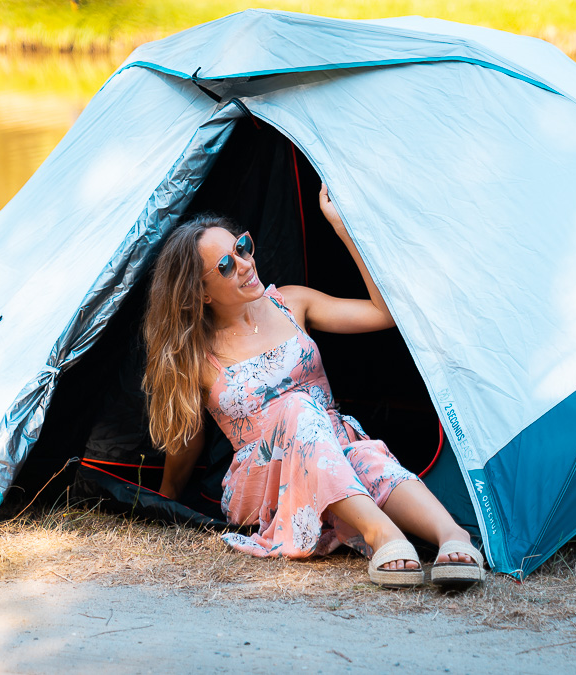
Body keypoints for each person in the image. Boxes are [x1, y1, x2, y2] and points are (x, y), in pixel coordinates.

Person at [142, 184, 485, 589]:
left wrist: (342, 227)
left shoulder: (290, 302)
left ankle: (453, 537)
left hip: (336, 449)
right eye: (225, 266)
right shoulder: (197, 357)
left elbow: (383, 313)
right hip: (265, 479)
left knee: (363, 455)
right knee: (298, 407)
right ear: (198, 294)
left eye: (243, 248)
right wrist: (165, 498)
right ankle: (384, 534)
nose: (245, 264)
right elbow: (187, 442)